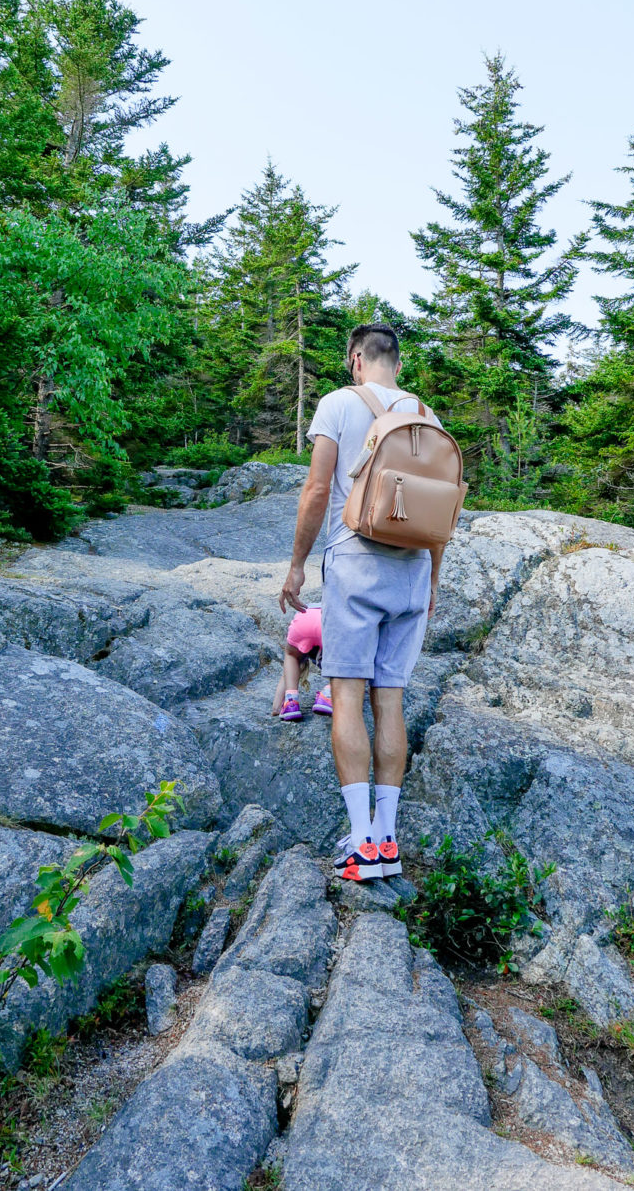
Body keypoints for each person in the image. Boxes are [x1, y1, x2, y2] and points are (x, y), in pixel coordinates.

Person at [279, 323, 442, 882]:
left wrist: (298, 564)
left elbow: (318, 490)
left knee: (346, 695)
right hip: (414, 568)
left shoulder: (338, 404)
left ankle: (361, 847)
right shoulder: (427, 416)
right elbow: (441, 512)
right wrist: (433, 582)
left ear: (355, 360)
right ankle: (388, 838)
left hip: (356, 560)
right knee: (389, 700)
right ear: (395, 361)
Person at [270, 604, 333, 720]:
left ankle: (291, 703)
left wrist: (276, 708)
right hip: (329, 619)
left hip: (304, 618)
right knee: (348, 660)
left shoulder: (299, 659)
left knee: (291, 656)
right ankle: (330, 692)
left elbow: (286, 675)